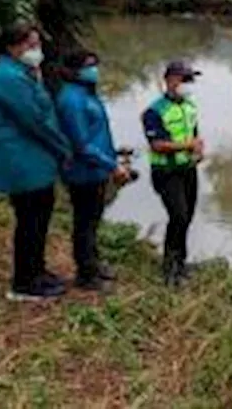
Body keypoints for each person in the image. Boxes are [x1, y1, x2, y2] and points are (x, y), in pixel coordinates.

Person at [0, 22, 72, 301]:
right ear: (12, 47)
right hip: (21, 159)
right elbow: (35, 120)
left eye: (37, 45)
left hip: (31, 157)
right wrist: (63, 148)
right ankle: (24, 283)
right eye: (30, 45)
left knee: (39, 214)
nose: (36, 51)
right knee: (31, 218)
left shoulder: (22, 73)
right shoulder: (8, 78)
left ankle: (37, 271)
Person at [55, 50, 130, 292]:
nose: (94, 69)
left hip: (96, 169)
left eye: (96, 64)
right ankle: (86, 274)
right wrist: (112, 165)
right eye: (89, 66)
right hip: (82, 171)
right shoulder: (71, 100)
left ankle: (94, 263)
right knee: (84, 222)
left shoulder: (85, 93)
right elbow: (81, 145)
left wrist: (112, 157)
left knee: (93, 219)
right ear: (74, 70)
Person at [142, 61, 204, 286]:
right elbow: (157, 144)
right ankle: (169, 269)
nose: (189, 85)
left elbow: (194, 135)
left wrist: (198, 150)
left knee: (187, 216)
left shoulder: (190, 107)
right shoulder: (154, 111)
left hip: (188, 169)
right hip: (166, 172)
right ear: (170, 80)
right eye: (185, 79)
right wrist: (188, 145)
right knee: (177, 215)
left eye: (191, 80)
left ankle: (181, 263)